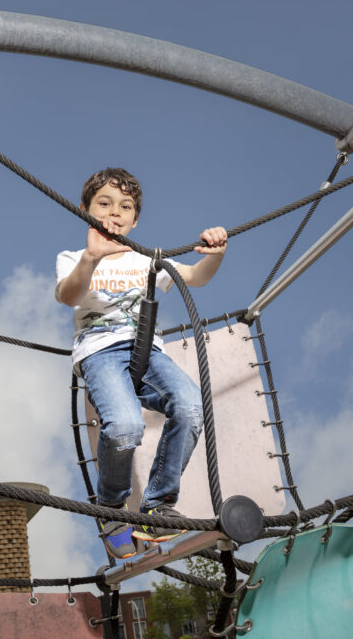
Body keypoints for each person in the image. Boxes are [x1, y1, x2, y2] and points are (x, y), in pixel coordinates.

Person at [55, 167, 227, 559]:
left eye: (125, 207)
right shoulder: (73, 257)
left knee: (189, 405)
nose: (115, 212)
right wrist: (92, 258)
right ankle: (113, 507)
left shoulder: (147, 259)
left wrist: (216, 253)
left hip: (147, 350)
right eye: (104, 204)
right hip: (101, 351)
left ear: (135, 220)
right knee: (125, 426)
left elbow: (196, 277)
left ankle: (157, 505)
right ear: (84, 210)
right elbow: (70, 295)